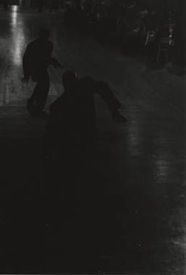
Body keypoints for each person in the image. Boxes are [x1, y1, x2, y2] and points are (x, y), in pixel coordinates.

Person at [44, 70, 127, 227]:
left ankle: (76, 205)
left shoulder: (61, 103)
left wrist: (48, 153)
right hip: (87, 136)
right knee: (87, 170)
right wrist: (114, 109)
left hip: (76, 141)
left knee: (78, 173)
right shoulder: (85, 85)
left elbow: (51, 130)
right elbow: (103, 88)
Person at [22, 28, 61, 115]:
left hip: (38, 69)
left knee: (42, 85)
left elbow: (26, 60)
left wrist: (27, 74)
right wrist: (27, 74)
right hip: (36, 69)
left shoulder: (34, 45)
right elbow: (27, 60)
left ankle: (34, 102)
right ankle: (38, 107)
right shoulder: (48, 45)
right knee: (44, 85)